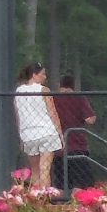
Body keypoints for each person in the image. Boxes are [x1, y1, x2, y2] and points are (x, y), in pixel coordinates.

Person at [14, 62, 63, 193]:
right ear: (34, 75)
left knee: (34, 170)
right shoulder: (43, 90)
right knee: (45, 169)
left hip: (28, 134)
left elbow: (18, 117)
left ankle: (34, 198)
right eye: (42, 74)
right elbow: (52, 113)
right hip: (46, 132)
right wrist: (60, 133)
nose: (44, 77)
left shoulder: (18, 92)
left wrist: (21, 137)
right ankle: (45, 197)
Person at [52, 75, 97, 191]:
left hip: (58, 146)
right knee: (80, 184)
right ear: (73, 86)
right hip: (78, 145)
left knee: (61, 182)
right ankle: (78, 205)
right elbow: (90, 119)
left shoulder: (53, 99)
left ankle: (59, 205)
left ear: (59, 85)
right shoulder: (79, 98)